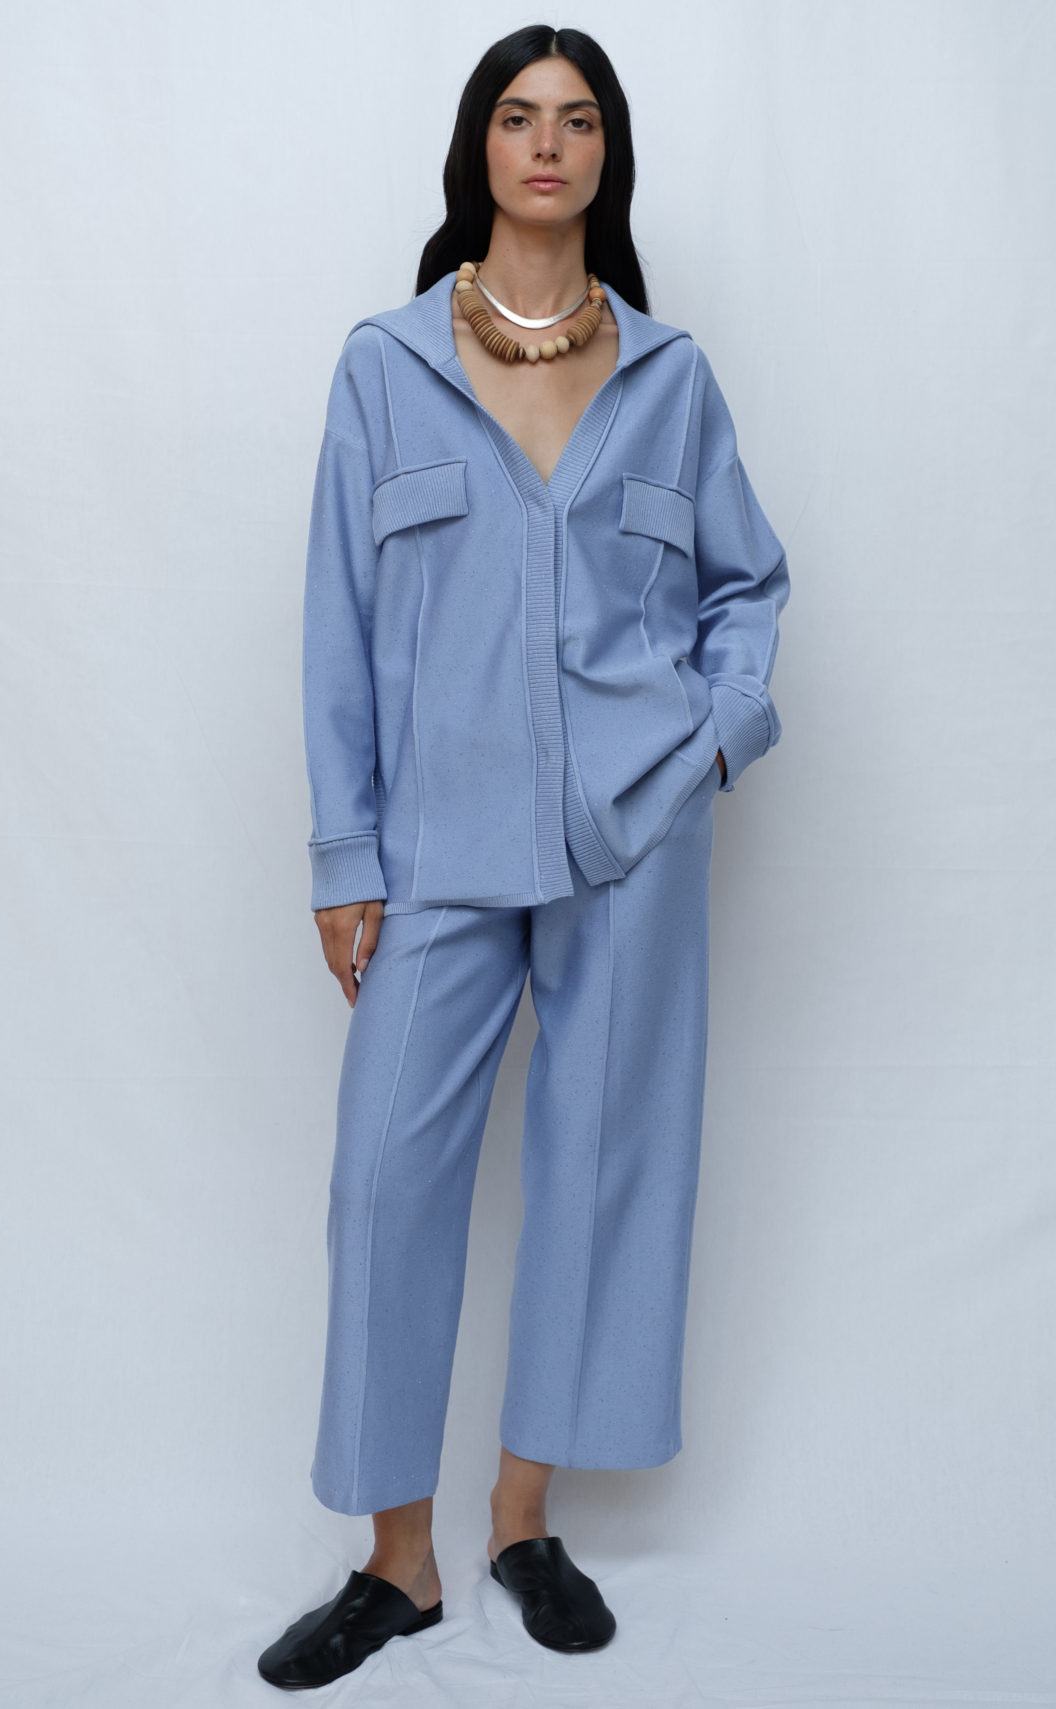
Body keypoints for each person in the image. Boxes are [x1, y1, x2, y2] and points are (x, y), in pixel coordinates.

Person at [258, 22, 790, 1692]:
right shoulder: (386, 366)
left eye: (575, 119)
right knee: (382, 1179)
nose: (546, 143)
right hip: (434, 844)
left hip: (631, 836)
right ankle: (397, 1561)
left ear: (604, 153)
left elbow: (746, 586)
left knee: (599, 1167)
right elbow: (337, 623)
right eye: (516, 115)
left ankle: (519, 1521)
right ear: (478, 148)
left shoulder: (670, 376)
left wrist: (715, 738)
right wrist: (345, 854)